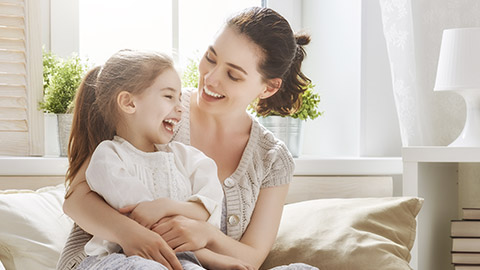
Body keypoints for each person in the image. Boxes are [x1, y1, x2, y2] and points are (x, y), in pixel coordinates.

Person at [58, 6, 315, 270]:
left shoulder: (272, 159)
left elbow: (251, 257)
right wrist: (131, 234)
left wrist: (206, 234)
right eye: (211, 58)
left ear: (268, 87)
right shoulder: (156, 107)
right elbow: (76, 200)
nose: (211, 78)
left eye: (233, 75)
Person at [60, 49, 230, 269]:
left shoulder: (185, 157)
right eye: (169, 96)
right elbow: (144, 219)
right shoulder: (109, 157)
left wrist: (165, 206)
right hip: (117, 258)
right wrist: (210, 258)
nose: (180, 108)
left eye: (180, 98)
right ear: (129, 103)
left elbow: (208, 207)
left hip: (178, 257)